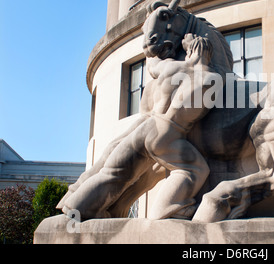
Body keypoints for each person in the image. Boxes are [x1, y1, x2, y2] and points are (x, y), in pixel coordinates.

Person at [62, 34, 217, 220]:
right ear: (208, 53)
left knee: (114, 173)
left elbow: (152, 64)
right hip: (169, 132)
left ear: (189, 51)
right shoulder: (209, 77)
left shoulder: (172, 67)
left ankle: (76, 208)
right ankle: (168, 209)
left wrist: (155, 45)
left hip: (147, 125)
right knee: (197, 169)